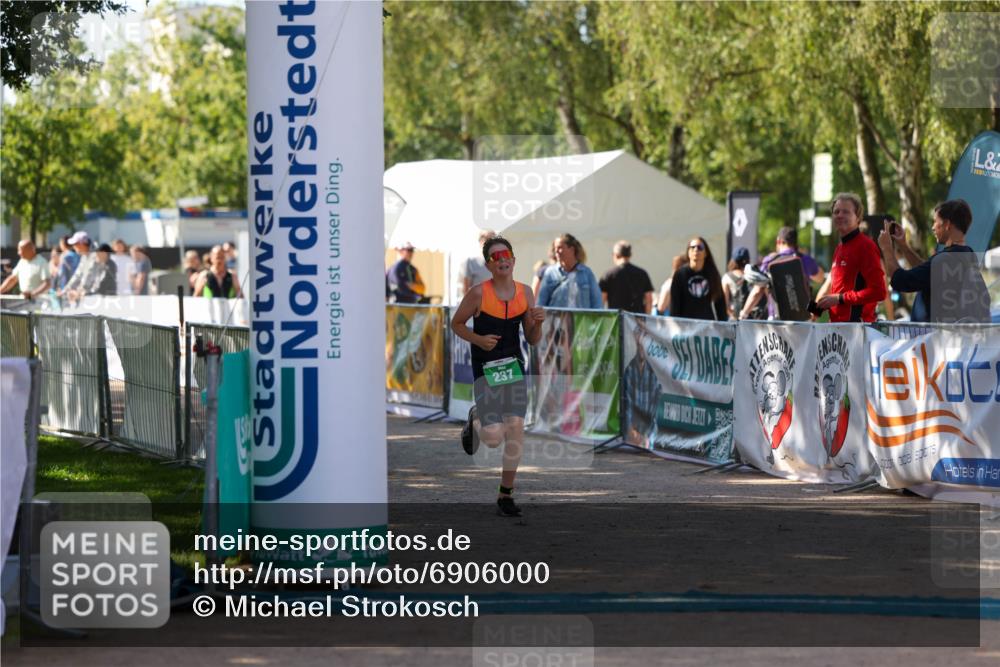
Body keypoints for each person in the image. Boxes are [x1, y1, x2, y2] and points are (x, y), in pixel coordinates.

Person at [451, 237, 544, 517]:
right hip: (486, 368)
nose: (502, 259)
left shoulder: (525, 293)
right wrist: (478, 339)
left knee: (515, 428)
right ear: (489, 265)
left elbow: (532, 339)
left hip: (514, 367)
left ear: (513, 261)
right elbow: (456, 323)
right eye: (495, 257)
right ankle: (476, 418)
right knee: (493, 437)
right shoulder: (478, 293)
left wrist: (537, 323)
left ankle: (506, 495)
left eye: (506, 255)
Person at [877, 199, 989, 323]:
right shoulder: (966, 254)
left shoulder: (945, 260)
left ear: (947, 224)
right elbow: (926, 272)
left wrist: (886, 248)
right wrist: (904, 246)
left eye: (935, 221)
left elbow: (900, 280)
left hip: (935, 339)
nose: (933, 227)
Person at [814, 193, 887, 322]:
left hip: (858, 330)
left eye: (846, 212)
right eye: (836, 212)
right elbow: (833, 289)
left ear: (858, 218)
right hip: (838, 331)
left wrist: (840, 298)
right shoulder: (839, 248)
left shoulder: (866, 246)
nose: (840, 215)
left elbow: (879, 292)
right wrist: (814, 310)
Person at [742, 227, 825, 319]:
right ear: (795, 242)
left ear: (778, 241)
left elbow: (758, 291)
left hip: (777, 319)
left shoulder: (769, 260)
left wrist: (744, 313)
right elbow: (820, 278)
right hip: (803, 318)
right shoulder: (805, 259)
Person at [536, 233, 602, 309]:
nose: (556, 251)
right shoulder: (550, 273)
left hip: (580, 320)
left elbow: (597, 303)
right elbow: (540, 303)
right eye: (555, 248)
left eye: (560, 248)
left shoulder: (586, 273)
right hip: (556, 320)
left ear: (572, 249)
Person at [669, 236, 727, 320]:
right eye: (692, 247)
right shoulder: (680, 274)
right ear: (688, 252)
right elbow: (675, 303)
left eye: (700, 247)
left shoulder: (712, 273)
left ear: (706, 253)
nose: (696, 250)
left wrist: (723, 325)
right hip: (685, 324)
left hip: (706, 324)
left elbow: (720, 302)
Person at [599, 240, 655, 314]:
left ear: (616, 255)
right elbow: (649, 299)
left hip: (616, 319)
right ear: (630, 255)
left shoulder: (608, 275)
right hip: (637, 320)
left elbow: (601, 301)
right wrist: (647, 318)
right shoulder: (642, 273)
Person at [722, 246, 766, 321]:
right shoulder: (754, 275)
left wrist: (733, 315)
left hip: (738, 319)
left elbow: (725, 305)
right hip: (757, 319)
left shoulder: (727, 277)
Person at [458, 229, 496, 299]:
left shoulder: (501, 262)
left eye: (493, 239)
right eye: (486, 238)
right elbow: (465, 290)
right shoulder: (471, 262)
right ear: (480, 241)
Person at [61, 231, 96, 297]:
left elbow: (89, 277)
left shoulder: (96, 256)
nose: (73, 247)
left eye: (75, 244)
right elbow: (77, 275)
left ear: (81, 243)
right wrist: (65, 290)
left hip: (98, 297)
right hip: (88, 295)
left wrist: (78, 291)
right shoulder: (84, 256)